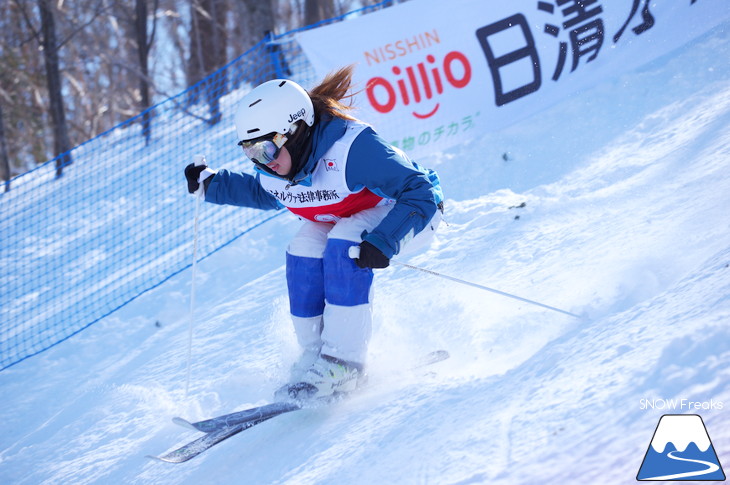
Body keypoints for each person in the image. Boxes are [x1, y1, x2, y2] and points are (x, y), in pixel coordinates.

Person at [184, 66, 443, 401]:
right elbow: (266, 192)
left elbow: (420, 191)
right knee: (303, 248)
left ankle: (343, 365)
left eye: (266, 150)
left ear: (296, 131)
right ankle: (315, 357)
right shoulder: (277, 168)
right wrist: (212, 184)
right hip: (348, 216)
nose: (263, 163)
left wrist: (385, 239)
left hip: (410, 213)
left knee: (345, 243)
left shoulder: (352, 149)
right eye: (250, 152)